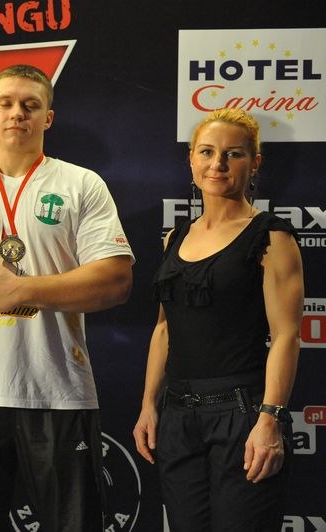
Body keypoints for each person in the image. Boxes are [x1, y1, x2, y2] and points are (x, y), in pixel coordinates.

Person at [0, 64, 134, 531]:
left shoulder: (81, 184)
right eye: (7, 103)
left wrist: (24, 289)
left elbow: (116, 280)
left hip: (58, 391)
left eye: (30, 105)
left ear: (47, 118)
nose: (17, 113)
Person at [132, 108, 304, 531]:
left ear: (255, 162)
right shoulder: (175, 238)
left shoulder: (272, 236)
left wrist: (269, 419)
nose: (218, 164)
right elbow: (164, 328)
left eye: (234, 154)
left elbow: (286, 335)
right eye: (207, 152)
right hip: (177, 418)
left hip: (242, 415)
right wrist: (149, 405)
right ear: (191, 159)